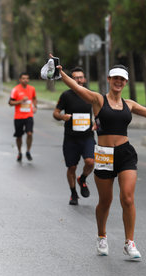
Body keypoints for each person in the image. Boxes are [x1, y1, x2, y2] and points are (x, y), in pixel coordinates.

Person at [57, 60, 146, 260]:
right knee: (105, 201)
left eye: (122, 79)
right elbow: (75, 86)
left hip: (125, 153)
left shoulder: (129, 104)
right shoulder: (98, 100)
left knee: (127, 198)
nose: (118, 82)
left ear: (126, 82)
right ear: (108, 79)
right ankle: (101, 236)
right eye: (115, 78)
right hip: (104, 155)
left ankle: (129, 242)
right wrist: (60, 73)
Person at [53, 67, 95, 206]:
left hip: (87, 136)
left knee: (90, 162)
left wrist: (97, 124)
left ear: (85, 79)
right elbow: (55, 113)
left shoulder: (90, 95)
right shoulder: (66, 95)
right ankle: (73, 194)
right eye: (75, 77)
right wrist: (61, 117)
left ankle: (82, 179)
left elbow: (98, 112)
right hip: (71, 137)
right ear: (71, 79)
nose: (78, 80)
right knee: (71, 167)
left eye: (81, 77)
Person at [9, 72, 37, 162]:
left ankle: (28, 151)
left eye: (27, 78)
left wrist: (35, 106)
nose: (25, 80)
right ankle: (20, 152)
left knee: (29, 133)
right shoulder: (15, 89)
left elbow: (34, 98)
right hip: (18, 117)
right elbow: (10, 103)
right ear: (20, 79)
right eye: (23, 78)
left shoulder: (32, 89)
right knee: (19, 136)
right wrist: (21, 101)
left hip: (29, 115)